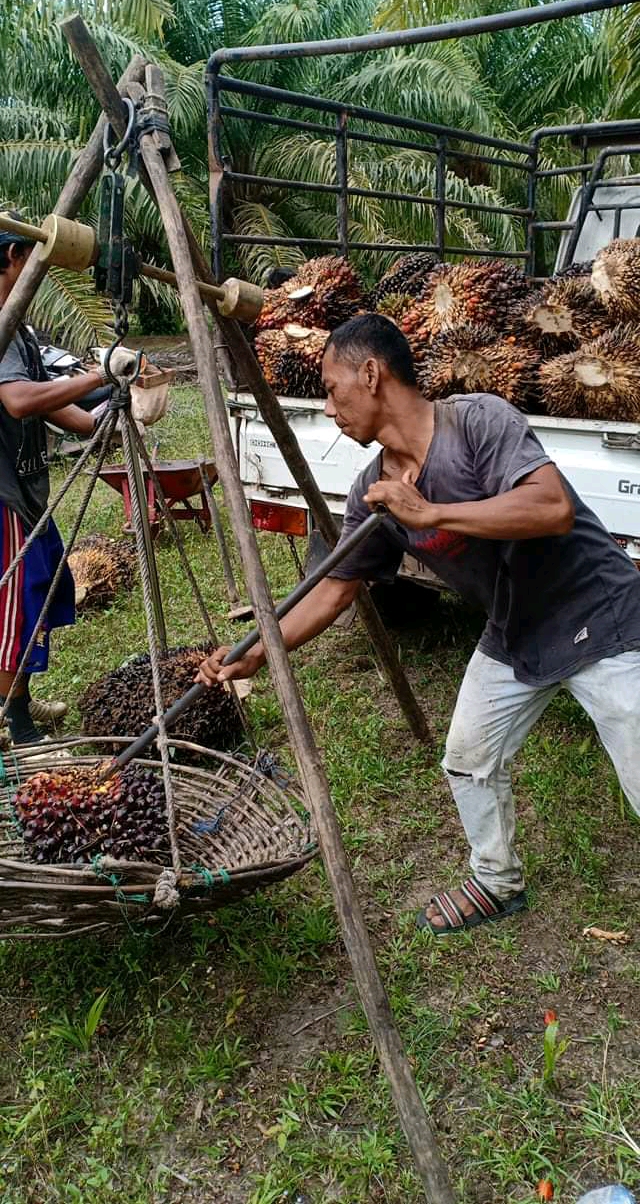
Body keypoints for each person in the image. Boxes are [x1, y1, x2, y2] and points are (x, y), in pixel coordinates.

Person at [197, 312, 640, 935]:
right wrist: (260, 652)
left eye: (331, 389)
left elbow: (552, 507)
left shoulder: (479, 421)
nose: (327, 408)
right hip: (515, 627)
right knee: (466, 758)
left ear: (371, 374)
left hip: (599, 613)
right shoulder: (370, 491)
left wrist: (432, 510)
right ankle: (495, 879)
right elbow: (333, 590)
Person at [0, 218, 109, 745]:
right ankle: (15, 726)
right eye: (36, 264)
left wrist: (98, 420)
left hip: (26, 490)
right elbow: (18, 401)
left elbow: (49, 400)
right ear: (15, 256)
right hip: (2, 496)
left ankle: (17, 700)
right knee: (13, 612)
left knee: (37, 599)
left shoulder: (18, 327)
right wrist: (99, 375)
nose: (41, 275)